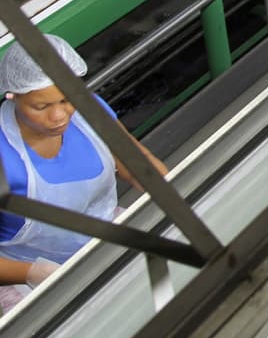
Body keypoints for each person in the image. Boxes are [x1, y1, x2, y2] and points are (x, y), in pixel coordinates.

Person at [0, 34, 167, 310]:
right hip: (25, 278)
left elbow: (137, 166)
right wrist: (31, 273)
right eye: (41, 106)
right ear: (12, 95)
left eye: (67, 100)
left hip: (103, 240)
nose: (59, 116)